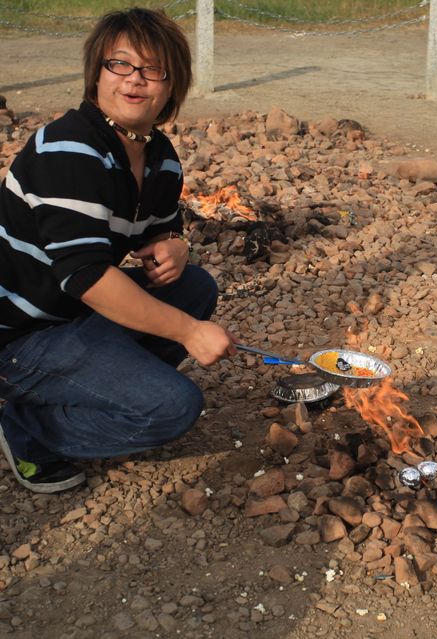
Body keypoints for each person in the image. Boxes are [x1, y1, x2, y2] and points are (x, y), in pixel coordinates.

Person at [0, 7, 237, 494]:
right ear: (96, 72)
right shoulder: (68, 148)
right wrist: (189, 332)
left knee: (193, 286)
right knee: (173, 408)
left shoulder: (158, 156)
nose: (135, 81)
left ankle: (92, 382)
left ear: (173, 85)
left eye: (153, 70)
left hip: (70, 314)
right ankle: (27, 428)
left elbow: (160, 230)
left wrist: (175, 246)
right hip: (19, 336)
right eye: (120, 64)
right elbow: (85, 276)